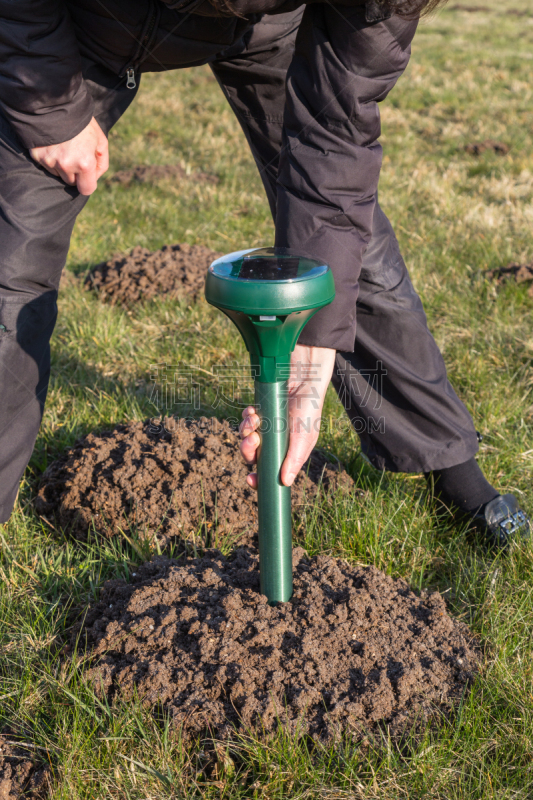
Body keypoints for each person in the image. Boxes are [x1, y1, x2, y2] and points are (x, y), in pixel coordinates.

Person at [0, 0, 528, 548]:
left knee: (342, 253)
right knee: (12, 251)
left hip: (266, 29)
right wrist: (51, 111)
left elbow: (334, 139)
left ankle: (448, 463)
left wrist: (311, 342)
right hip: (89, 24)